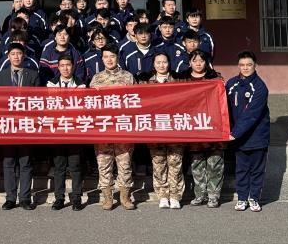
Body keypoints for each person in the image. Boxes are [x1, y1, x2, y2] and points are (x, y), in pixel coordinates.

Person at [90, 45, 137, 211]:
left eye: (112, 56)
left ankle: (125, 197)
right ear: (102, 59)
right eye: (106, 57)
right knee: (104, 164)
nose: (109, 60)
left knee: (125, 163)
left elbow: (137, 100)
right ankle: (107, 197)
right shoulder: (96, 79)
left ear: (117, 57)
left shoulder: (128, 77)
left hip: (123, 127)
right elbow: (89, 104)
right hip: (103, 128)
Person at [0, 43, 39, 210]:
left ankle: (25, 198)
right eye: (13, 53)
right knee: (9, 162)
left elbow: (38, 100)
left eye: (19, 53)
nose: (16, 56)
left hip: (26, 124)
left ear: (24, 56)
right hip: (8, 125)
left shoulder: (32, 74)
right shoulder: (1, 75)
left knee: (25, 162)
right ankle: (10, 198)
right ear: (8, 57)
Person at [226, 51, 271, 212]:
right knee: (241, 169)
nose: (245, 68)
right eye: (242, 65)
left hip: (257, 136)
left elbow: (251, 114)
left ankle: (254, 198)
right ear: (238, 66)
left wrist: (234, 133)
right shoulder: (231, 84)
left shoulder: (260, 87)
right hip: (240, 138)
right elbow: (223, 107)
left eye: (249, 65)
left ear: (255, 66)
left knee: (257, 170)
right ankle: (242, 198)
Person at [181, 50, 225, 208]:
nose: (198, 63)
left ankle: (214, 196)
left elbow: (222, 102)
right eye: (195, 60)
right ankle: (199, 194)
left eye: (201, 60)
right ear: (190, 62)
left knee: (215, 163)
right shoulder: (184, 79)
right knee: (197, 164)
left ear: (206, 62)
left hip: (213, 126)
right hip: (194, 127)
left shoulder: (216, 78)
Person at [46, 55, 85, 211]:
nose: (65, 68)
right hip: (58, 131)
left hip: (75, 131)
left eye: (68, 65)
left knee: (75, 166)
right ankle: (59, 198)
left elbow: (81, 107)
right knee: (59, 166)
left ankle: (76, 198)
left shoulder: (81, 84)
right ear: (58, 67)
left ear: (73, 66)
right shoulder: (50, 84)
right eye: (62, 65)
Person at [146, 52, 185, 210]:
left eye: (164, 62)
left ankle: (175, 196)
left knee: (175, 163)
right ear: (153, 64)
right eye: (158, 62)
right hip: (155, 129)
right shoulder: (146, 83)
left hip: (175, 128)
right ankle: (162, 195)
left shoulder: (178, 81)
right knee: (159, 164)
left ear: (169, 63)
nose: (161, 65)